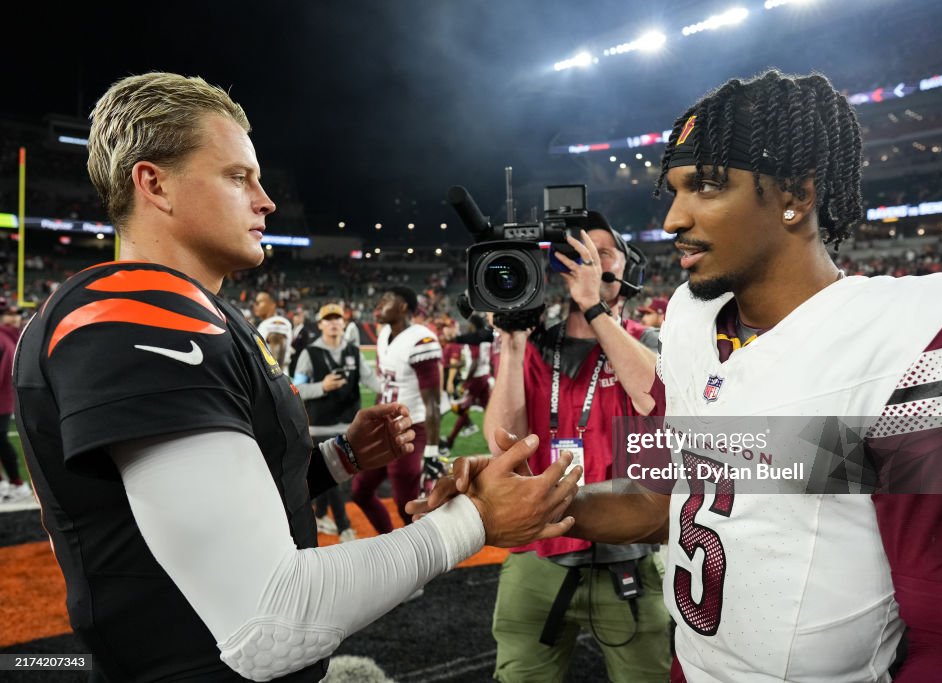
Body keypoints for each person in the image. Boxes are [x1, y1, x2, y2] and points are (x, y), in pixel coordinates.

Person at [418, 69, 942, 682]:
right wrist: (510, 502)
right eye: (675, 189)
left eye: (706, 186)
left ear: (798, 194)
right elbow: (661, 499)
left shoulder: (906, 337)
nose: (675, 216)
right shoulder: (689, 320)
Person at [14, 72, 580, 683]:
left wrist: (337, 460)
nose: (266, 200)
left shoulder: (201, 309)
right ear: (154, 184)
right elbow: (267, 622)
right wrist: (474, 521)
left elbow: (214, 498)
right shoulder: (136, 313)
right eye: (238, 177)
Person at [482, 211, 671, 682]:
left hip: (626, 556)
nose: (590, 257)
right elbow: (503, 442)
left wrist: (593, 308)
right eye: (579, 249)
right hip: (537, 555)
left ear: (628, 269)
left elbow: (653, 394)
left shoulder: (646, 342)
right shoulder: (533, 348)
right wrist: (511, 342)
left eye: (604, 251)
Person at [352, 286, 444, 533]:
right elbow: (386, 385)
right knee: (360, 490)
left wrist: (432, 451)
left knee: (406, 503)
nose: (379, 305)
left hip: (411, 427)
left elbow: (433, 402)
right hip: (385, 426)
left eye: (386, 300)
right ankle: (388, 539)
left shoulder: (421, 339)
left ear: (403, 306)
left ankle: (427, 551)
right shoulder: (383, 335)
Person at [293, 302, 380, 541]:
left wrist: (397, 390)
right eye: (328, 319)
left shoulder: (353, 352)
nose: (333, 323)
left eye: (337, 319)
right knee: (333, 478)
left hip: (349, 426)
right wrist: (323, 386)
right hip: (319, 426)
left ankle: (320, 514)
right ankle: (344, 526)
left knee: (330, 476)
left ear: (344, 323)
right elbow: (296, 389)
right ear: (320, 325)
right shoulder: (309, 353)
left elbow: (372, 381)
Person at [443, 314, 491, 451]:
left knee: (461, 409)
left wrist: (466, 380)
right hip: (484, 376)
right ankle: (496, 440)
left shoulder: (475, 339)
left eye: (470, 324)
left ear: (473, 325)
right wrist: (453, 366)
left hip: (476, 379)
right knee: (489, 409)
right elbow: (471, 361)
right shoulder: (483, 337)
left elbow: (474, 363)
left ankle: (450, 441)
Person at [0, 301, 28, 504]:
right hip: (7, 398)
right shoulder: (12, 337)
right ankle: (10, 484)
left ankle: (15, 484)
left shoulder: (3, 337)